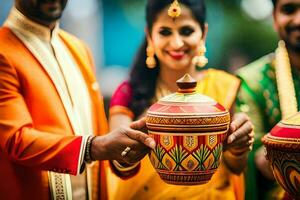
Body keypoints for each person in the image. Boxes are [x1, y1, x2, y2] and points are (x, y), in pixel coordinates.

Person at [0, 1, 156, 199]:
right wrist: (95, 147)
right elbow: (17, 140)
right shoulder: (3, 51)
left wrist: (126, 150)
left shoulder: (78, 49)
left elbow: (96, 133)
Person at [108, 0, 254, 199]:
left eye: (186, 31)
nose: (176, 43)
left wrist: (239, 147)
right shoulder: (130, 92)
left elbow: (235, 166)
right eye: (165, 32)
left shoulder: (225, 86)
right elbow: (119, 164)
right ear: (150, 35)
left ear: (203, 33)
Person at [236, 0, 300, 199]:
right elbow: (253, 160)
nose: (298, 20)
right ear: (274, 18)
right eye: (289, 10)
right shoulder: (251, 82)